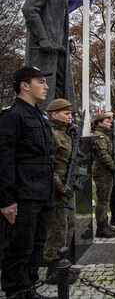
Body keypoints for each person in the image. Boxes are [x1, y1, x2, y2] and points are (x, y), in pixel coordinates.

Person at [0, 66, 54, 299]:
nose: (46, 86)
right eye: (40, 82)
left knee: (37, 242)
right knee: (19, 245)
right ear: (24, 85)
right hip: (23, 192)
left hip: (42, 190)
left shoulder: (38, 114)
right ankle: (14, 291)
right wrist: (6, 199)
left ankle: (28, 287)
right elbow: (4, 159)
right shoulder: (12, 115)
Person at [22, 0, 77, 110]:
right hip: (44, 50)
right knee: (43, 86)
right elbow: (29, 9)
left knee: (59, 86)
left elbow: (58, 24)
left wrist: (66, 42)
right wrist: (43, 39)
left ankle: (58, 120)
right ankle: (43, 120)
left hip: (59, 49)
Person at [42, 99, 79, 285]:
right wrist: (62, 187)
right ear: (54, 114)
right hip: (57, 188)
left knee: (69, 224)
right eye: (66, 113)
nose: (70, 116)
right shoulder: (50, 133)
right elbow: (49, 166)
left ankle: (63, 264)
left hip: (68, 186)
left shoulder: (66, 133)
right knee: (57, 229)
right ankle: (52, 269)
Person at [91, 112, 115, 237]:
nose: (110, 123)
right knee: (102, 200)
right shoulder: (99, 136)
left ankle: (105, 224)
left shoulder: (104, 135)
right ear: (99, 123)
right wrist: (114, 167)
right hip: (102, 171)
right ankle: (101, 228)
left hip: (106, 171)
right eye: (107, 121)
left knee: (105, 199)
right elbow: (103, 155)